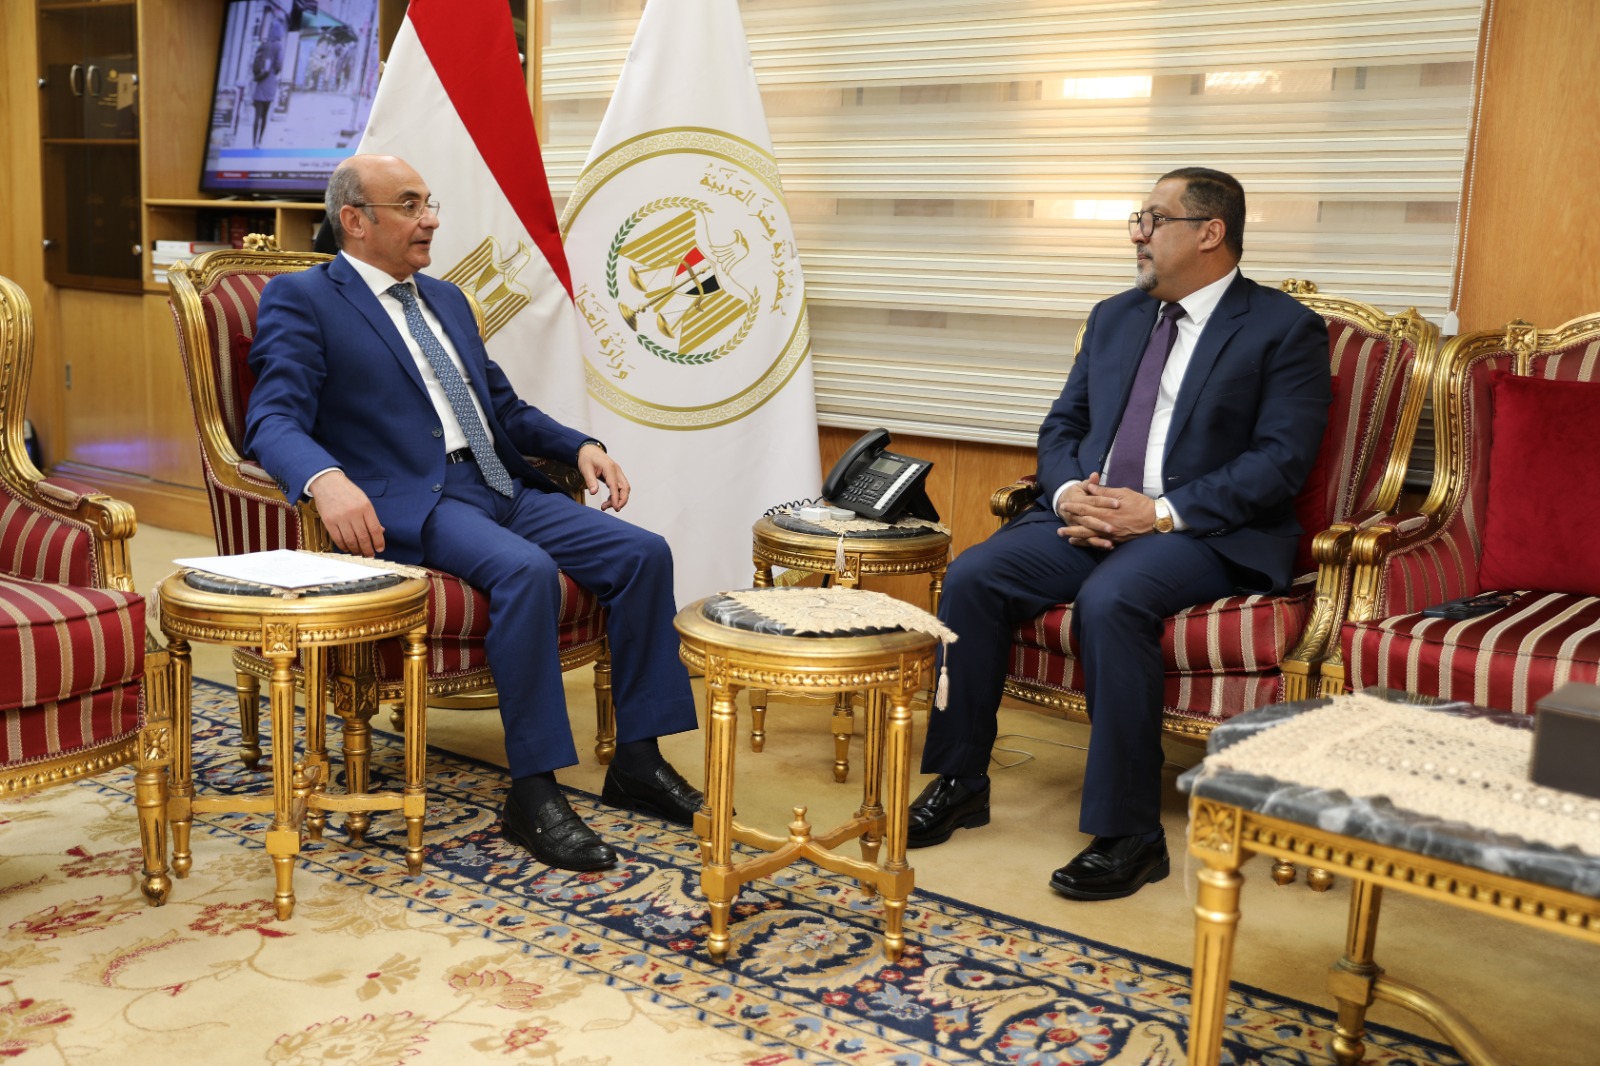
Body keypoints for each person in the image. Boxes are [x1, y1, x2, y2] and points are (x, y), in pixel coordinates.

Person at [243, 154, 703, 873]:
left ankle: (638, 762)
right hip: (413, 498)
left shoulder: (447, 299)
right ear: (355, 220)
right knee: (527, 572)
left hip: (498, 482)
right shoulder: (303, 298)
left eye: (430, 202)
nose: (429, 219)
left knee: (642, 554)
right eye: (409, 205)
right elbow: (271, 418)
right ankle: (534, 792)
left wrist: (579, 445)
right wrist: (325, 480)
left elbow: (504, 410)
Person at [908, 167, 1330, 901]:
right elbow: (1063, 426)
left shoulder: (1282, 328)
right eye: (1138, 219)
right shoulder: (1115, 317)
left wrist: (1159, 513)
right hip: (1092, 515)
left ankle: (1130, 833)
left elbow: (1280, 460)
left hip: (1202, 531)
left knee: (1113, 601)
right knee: (976, 576)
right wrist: (1069, 493)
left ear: (1210, 232)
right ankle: (960, 779)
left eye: (1153, 219)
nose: (1137, 234)